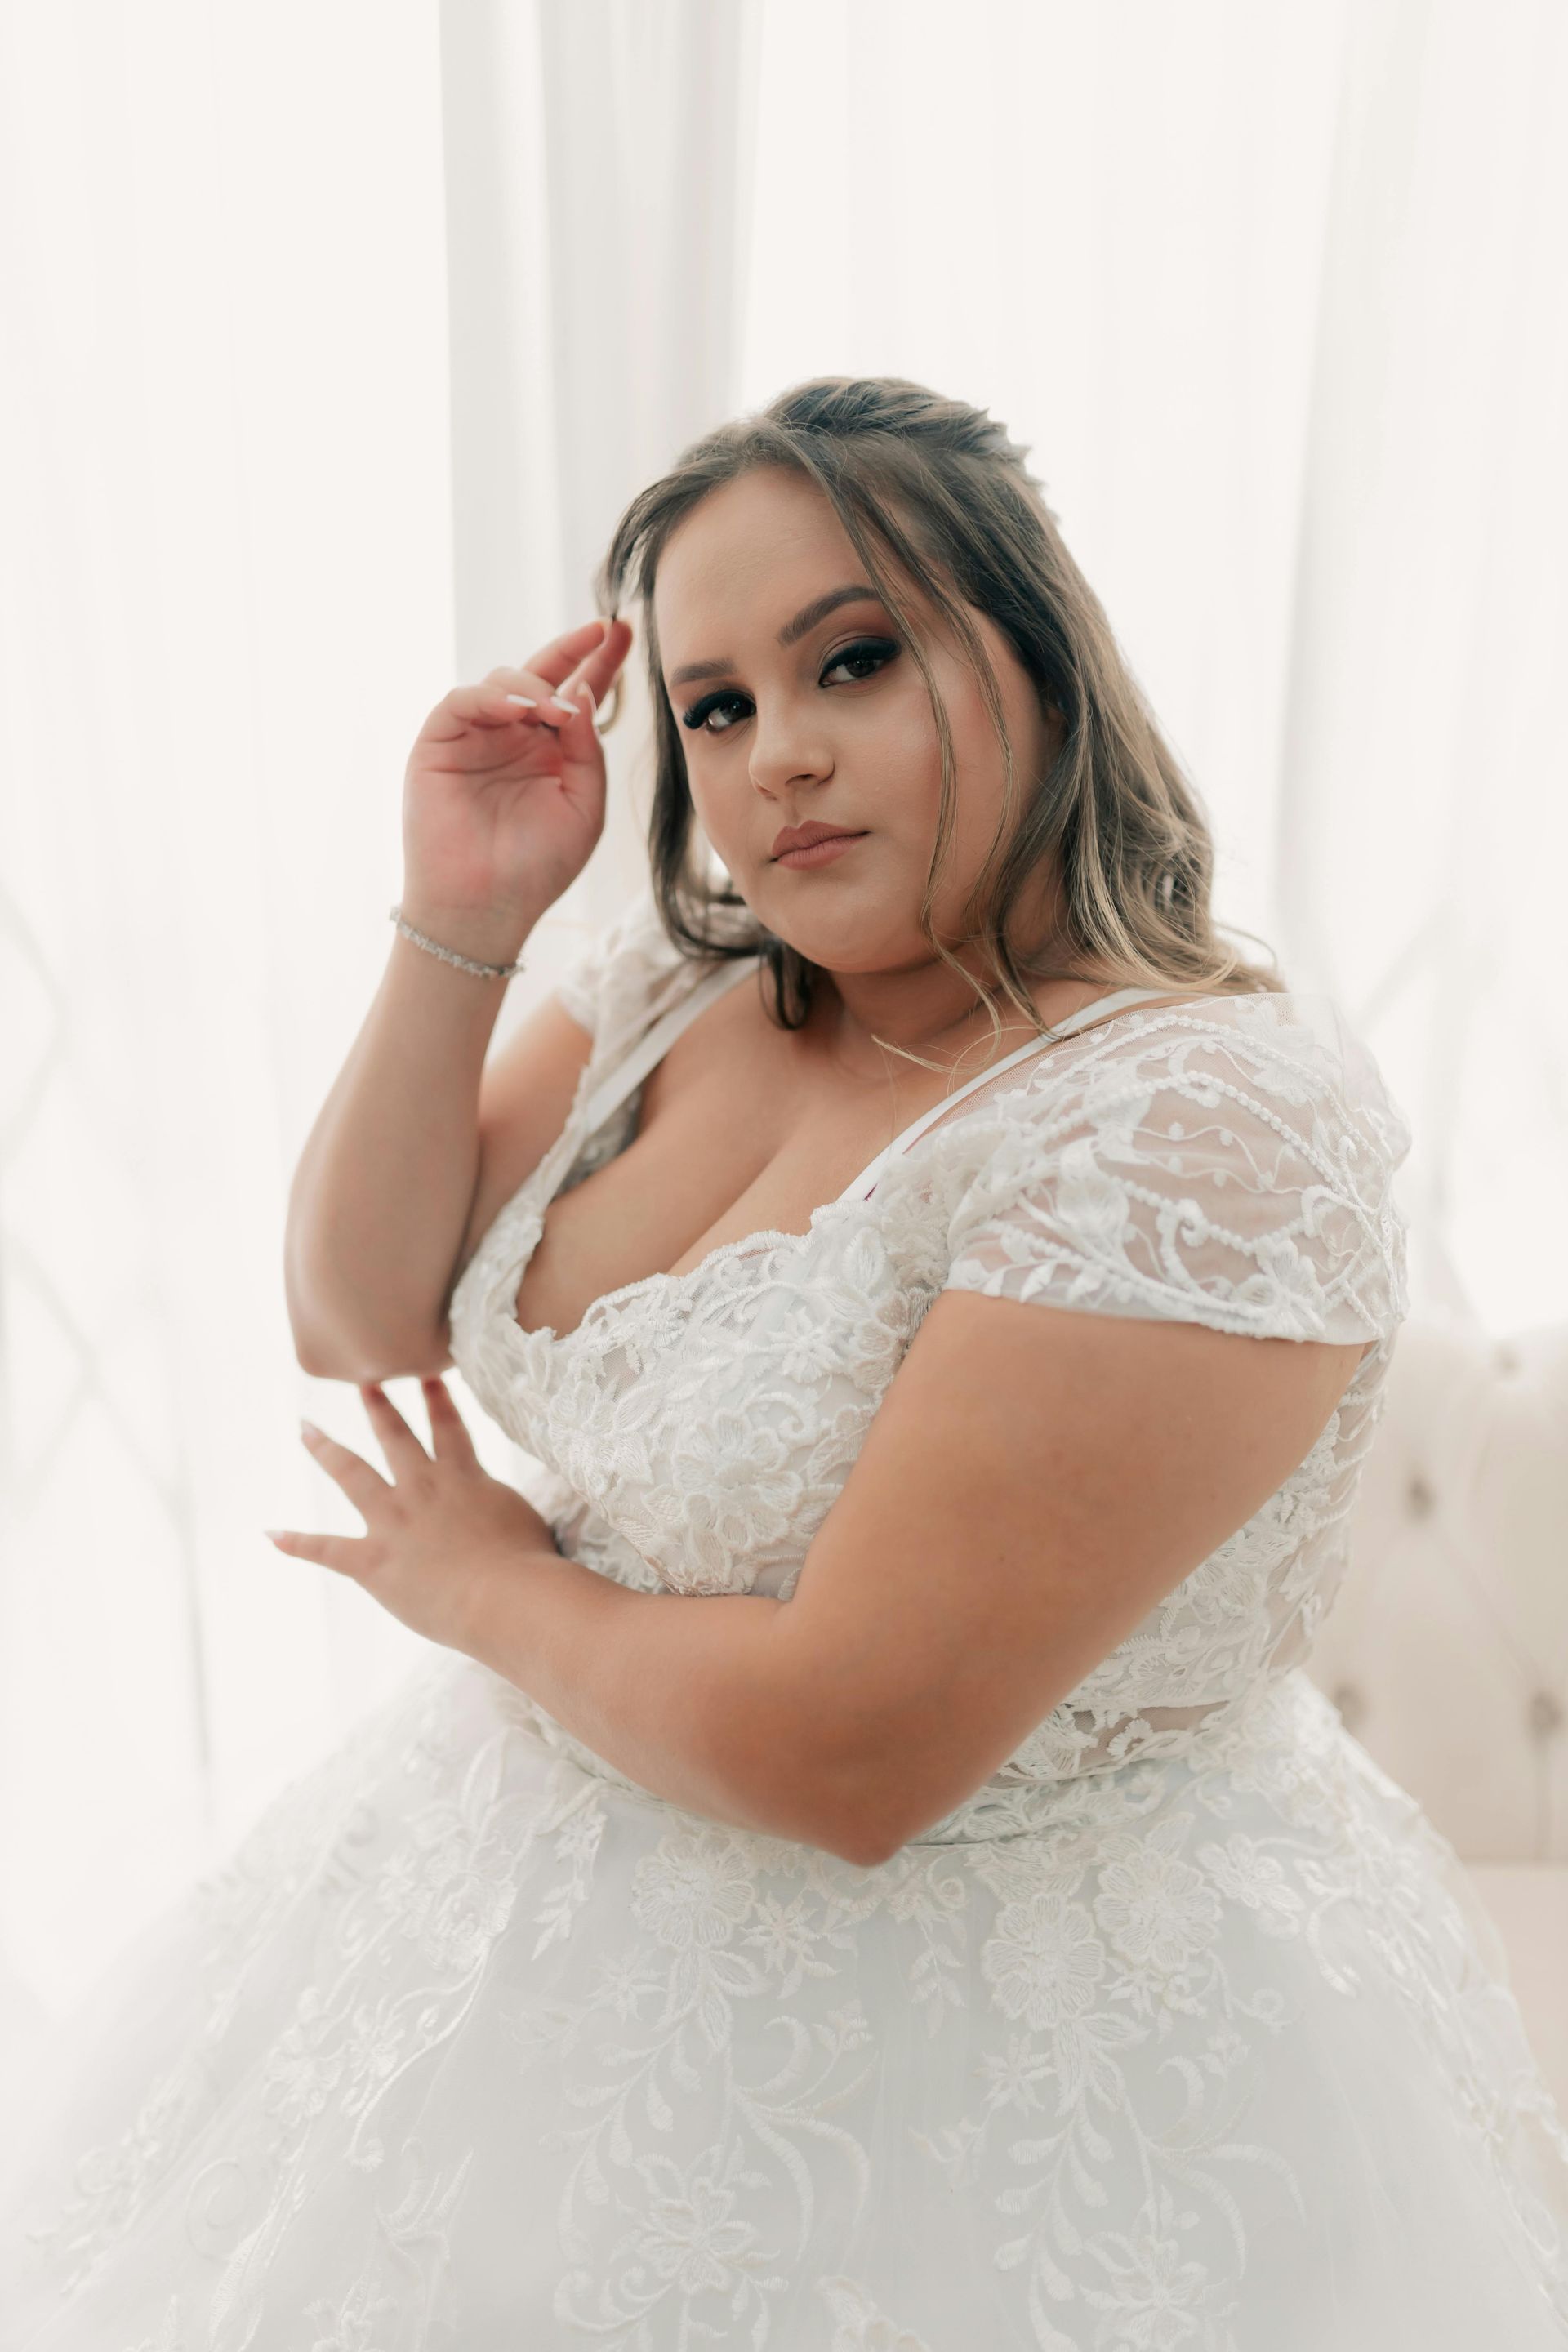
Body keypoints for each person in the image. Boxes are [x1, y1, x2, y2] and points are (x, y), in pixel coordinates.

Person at [2, 374, 1565, 2350]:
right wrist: (460, 917)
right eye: (719, 705)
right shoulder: (681, 989)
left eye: (855, 660)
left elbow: (856, 1753)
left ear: (1043, 662)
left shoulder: (1198, 1123)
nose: (781, 761)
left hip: (1000, 2061)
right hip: (505, 1923)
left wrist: (491, 1588)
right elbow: (356, 1308)